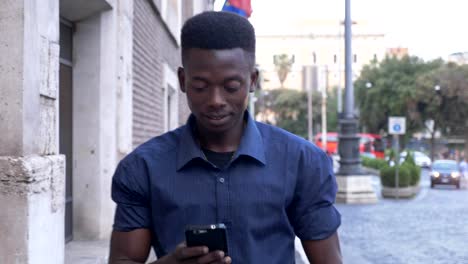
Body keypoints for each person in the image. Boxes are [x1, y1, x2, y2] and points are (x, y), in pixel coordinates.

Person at [109, 11, 341, 264]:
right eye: (201, 87)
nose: (215, 100)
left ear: (252, 80)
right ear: (183, 80)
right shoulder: (142, 168)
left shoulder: (303, 162)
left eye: (231, 87)